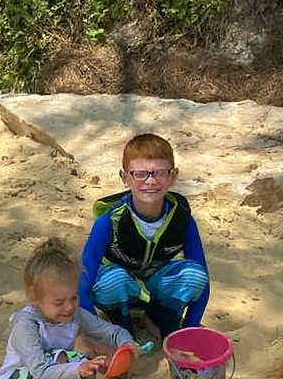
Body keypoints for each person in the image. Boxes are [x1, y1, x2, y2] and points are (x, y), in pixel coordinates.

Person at [0, 238, 137, 379]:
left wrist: (126, 344)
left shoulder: (75, 314)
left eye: (74, 297)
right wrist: (76, 368)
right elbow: (40, 371)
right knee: (63, 359)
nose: (69, 307)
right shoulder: (26, 325)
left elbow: (109, 331)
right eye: (59, 302)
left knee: (81, 361)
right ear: (35, 298)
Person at [78, 133, 210, 339]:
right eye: (139, 174)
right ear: (125, 177)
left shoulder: (182, 219)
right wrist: (98, 332)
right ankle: (123, 328)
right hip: (121, 290)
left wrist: (190, 327)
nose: (150, 181)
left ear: (172, 176)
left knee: (194, 275)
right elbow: (83, 278)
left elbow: (203, 279)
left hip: (157, 287)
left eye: (159, 173)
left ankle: (164, 325)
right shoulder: (108, 221)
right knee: (111, 279)